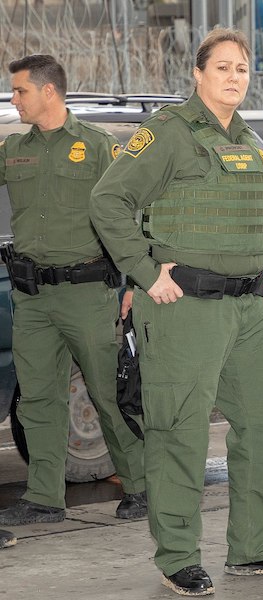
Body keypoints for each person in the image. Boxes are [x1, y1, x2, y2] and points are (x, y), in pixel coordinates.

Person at [90, 29, 263, 596]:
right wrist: (144, 273)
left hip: (250, 308)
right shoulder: (167, 133)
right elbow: (108, 201)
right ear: (198, 74)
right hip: (184, 307)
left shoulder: (248, 137)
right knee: (179, 432)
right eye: (223, 68)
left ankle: (258, 545)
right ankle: (177, 556)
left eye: (241, 68)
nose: (234, 77)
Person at [0, 54, 146, 528]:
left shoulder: (98, 146)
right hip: (32, 296)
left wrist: (135, 283)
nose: (14, 100)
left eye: (20, 90)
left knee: (107, 393)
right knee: (38, 398)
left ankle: (141, 485)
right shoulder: (14, 148)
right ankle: (45, 497)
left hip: (88, 293)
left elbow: (133, 213)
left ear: (48, 91)